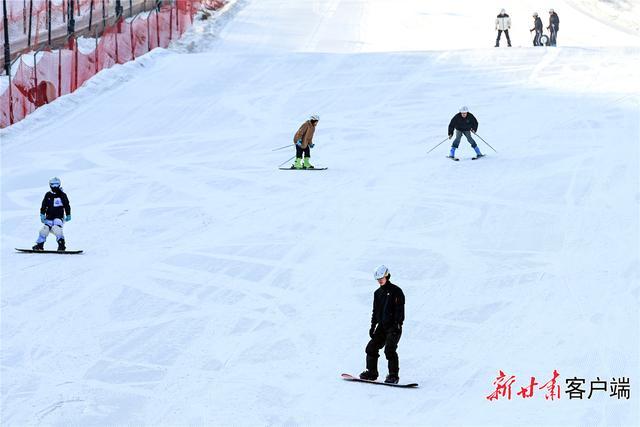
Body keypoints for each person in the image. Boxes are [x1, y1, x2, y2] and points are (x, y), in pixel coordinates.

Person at [360, 265, 405, 384]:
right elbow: (375, 311)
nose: (380, 280)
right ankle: (372, 373)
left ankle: (393, 376)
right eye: (378, 278)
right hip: (382, 327)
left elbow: (400, 310)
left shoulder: (396, 291)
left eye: (382, 277)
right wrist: (373, 326)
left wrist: (397, 324)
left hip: (394, 327)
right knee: (371, 348)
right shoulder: (377, 293)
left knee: (389, 349)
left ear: (387, 276)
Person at [32, 177, 71, 251]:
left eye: (57, 184)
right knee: (44, 229)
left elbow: (67, 205)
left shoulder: (62, 195)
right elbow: (44, 205)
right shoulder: (48, 195)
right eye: (53, 185)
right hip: (49, 216)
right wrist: (42, 214)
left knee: (56, 228)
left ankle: (61, 245)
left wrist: (68, 214)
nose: (55, 186)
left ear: (59, 185)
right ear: (50, 185)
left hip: (59, 217)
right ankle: (40, 245)